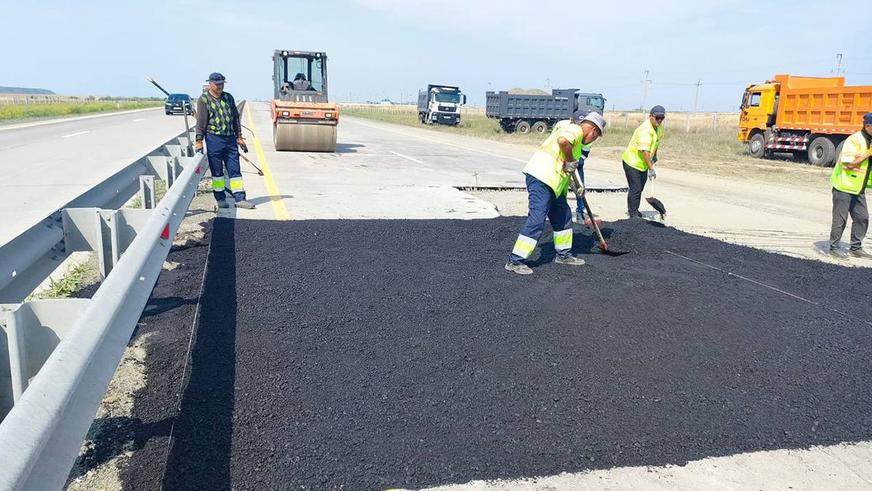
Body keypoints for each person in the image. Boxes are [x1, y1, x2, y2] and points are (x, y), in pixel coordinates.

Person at [505, 112, 607, 275]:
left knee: (563, 216)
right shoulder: (575, 130)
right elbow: (563, 142)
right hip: (542, 178)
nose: (594, 140)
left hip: (555, 184)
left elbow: (569, 168)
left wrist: (577, 185)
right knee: (537, 218)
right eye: (596, 136)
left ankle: (563, 254)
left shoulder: (573, 135)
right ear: (593, 129)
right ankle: (515, 260)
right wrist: (569, 160)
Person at [195, 72, 255, 209]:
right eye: (217, 84)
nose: (220, 86)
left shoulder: (228, 97)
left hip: (230, 139)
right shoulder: (204, 100)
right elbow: (201, 122)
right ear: (210, 84)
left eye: (222, 83)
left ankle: (240, 198)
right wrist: (199, 140)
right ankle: (220, 198)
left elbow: (235, 118)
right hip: (213, 139)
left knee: (235, 171)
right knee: (217, 173)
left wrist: (239, 137)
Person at [828, 113, 872, 259]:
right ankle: (834, 247)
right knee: (840, 219)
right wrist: (869, 153)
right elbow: (848, 164)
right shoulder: (854, 140)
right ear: (868, 126)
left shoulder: (870, 141)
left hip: (858, 187)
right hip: (844, 185)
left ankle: (856, 247)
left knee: (862, 218)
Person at [622, 105, 665, 218]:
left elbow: (656, 143)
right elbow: (645, 151)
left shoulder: (658, 128)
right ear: (651, 116)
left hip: (643, 164)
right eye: (657, 118)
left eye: (662, 118)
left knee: (639, 187)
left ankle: (634, 210)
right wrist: (651, 168)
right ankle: (633, 214)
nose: (659, 121)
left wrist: (654, 155)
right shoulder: (645, 130)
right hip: (632, 162)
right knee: (635, 188)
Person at [553, 115, 596, 226]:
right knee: (558, 186)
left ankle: (580, 211)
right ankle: (552, 211)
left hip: (576, 161)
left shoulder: (588, 133)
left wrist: (574, 163)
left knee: (580, 187)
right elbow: (555, 141)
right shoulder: (562, 125)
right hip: (559, 160)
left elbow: (584, 153)